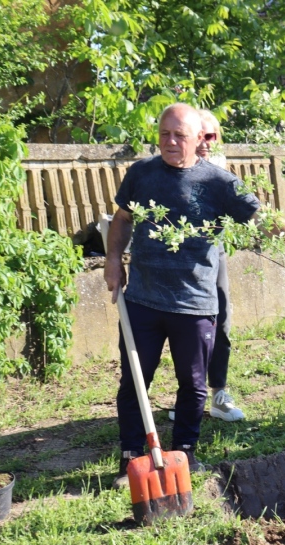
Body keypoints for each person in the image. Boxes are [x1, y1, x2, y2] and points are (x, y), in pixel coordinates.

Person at [104, 103, 259, 488]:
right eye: (164, 135)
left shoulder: (218, 182)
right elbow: (123, 219)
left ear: (198, 139)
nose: (170, 142)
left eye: (180, 136)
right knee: (135, 379)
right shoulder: (142, 174)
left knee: (194, 385)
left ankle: (185, 454)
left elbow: (262, 217)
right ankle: (131, 458)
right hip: (142, 298)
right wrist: (113, 260)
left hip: (194, 304)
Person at [167, 109, 245, 422]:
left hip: (214, 256)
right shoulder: (172, 169)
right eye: (199, 135)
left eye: (210, 136)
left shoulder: (220, 166)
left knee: (220, 322)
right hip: (180, 260)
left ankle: (219, 395)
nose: (204, 143)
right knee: (188, 329)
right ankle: (189, 398)